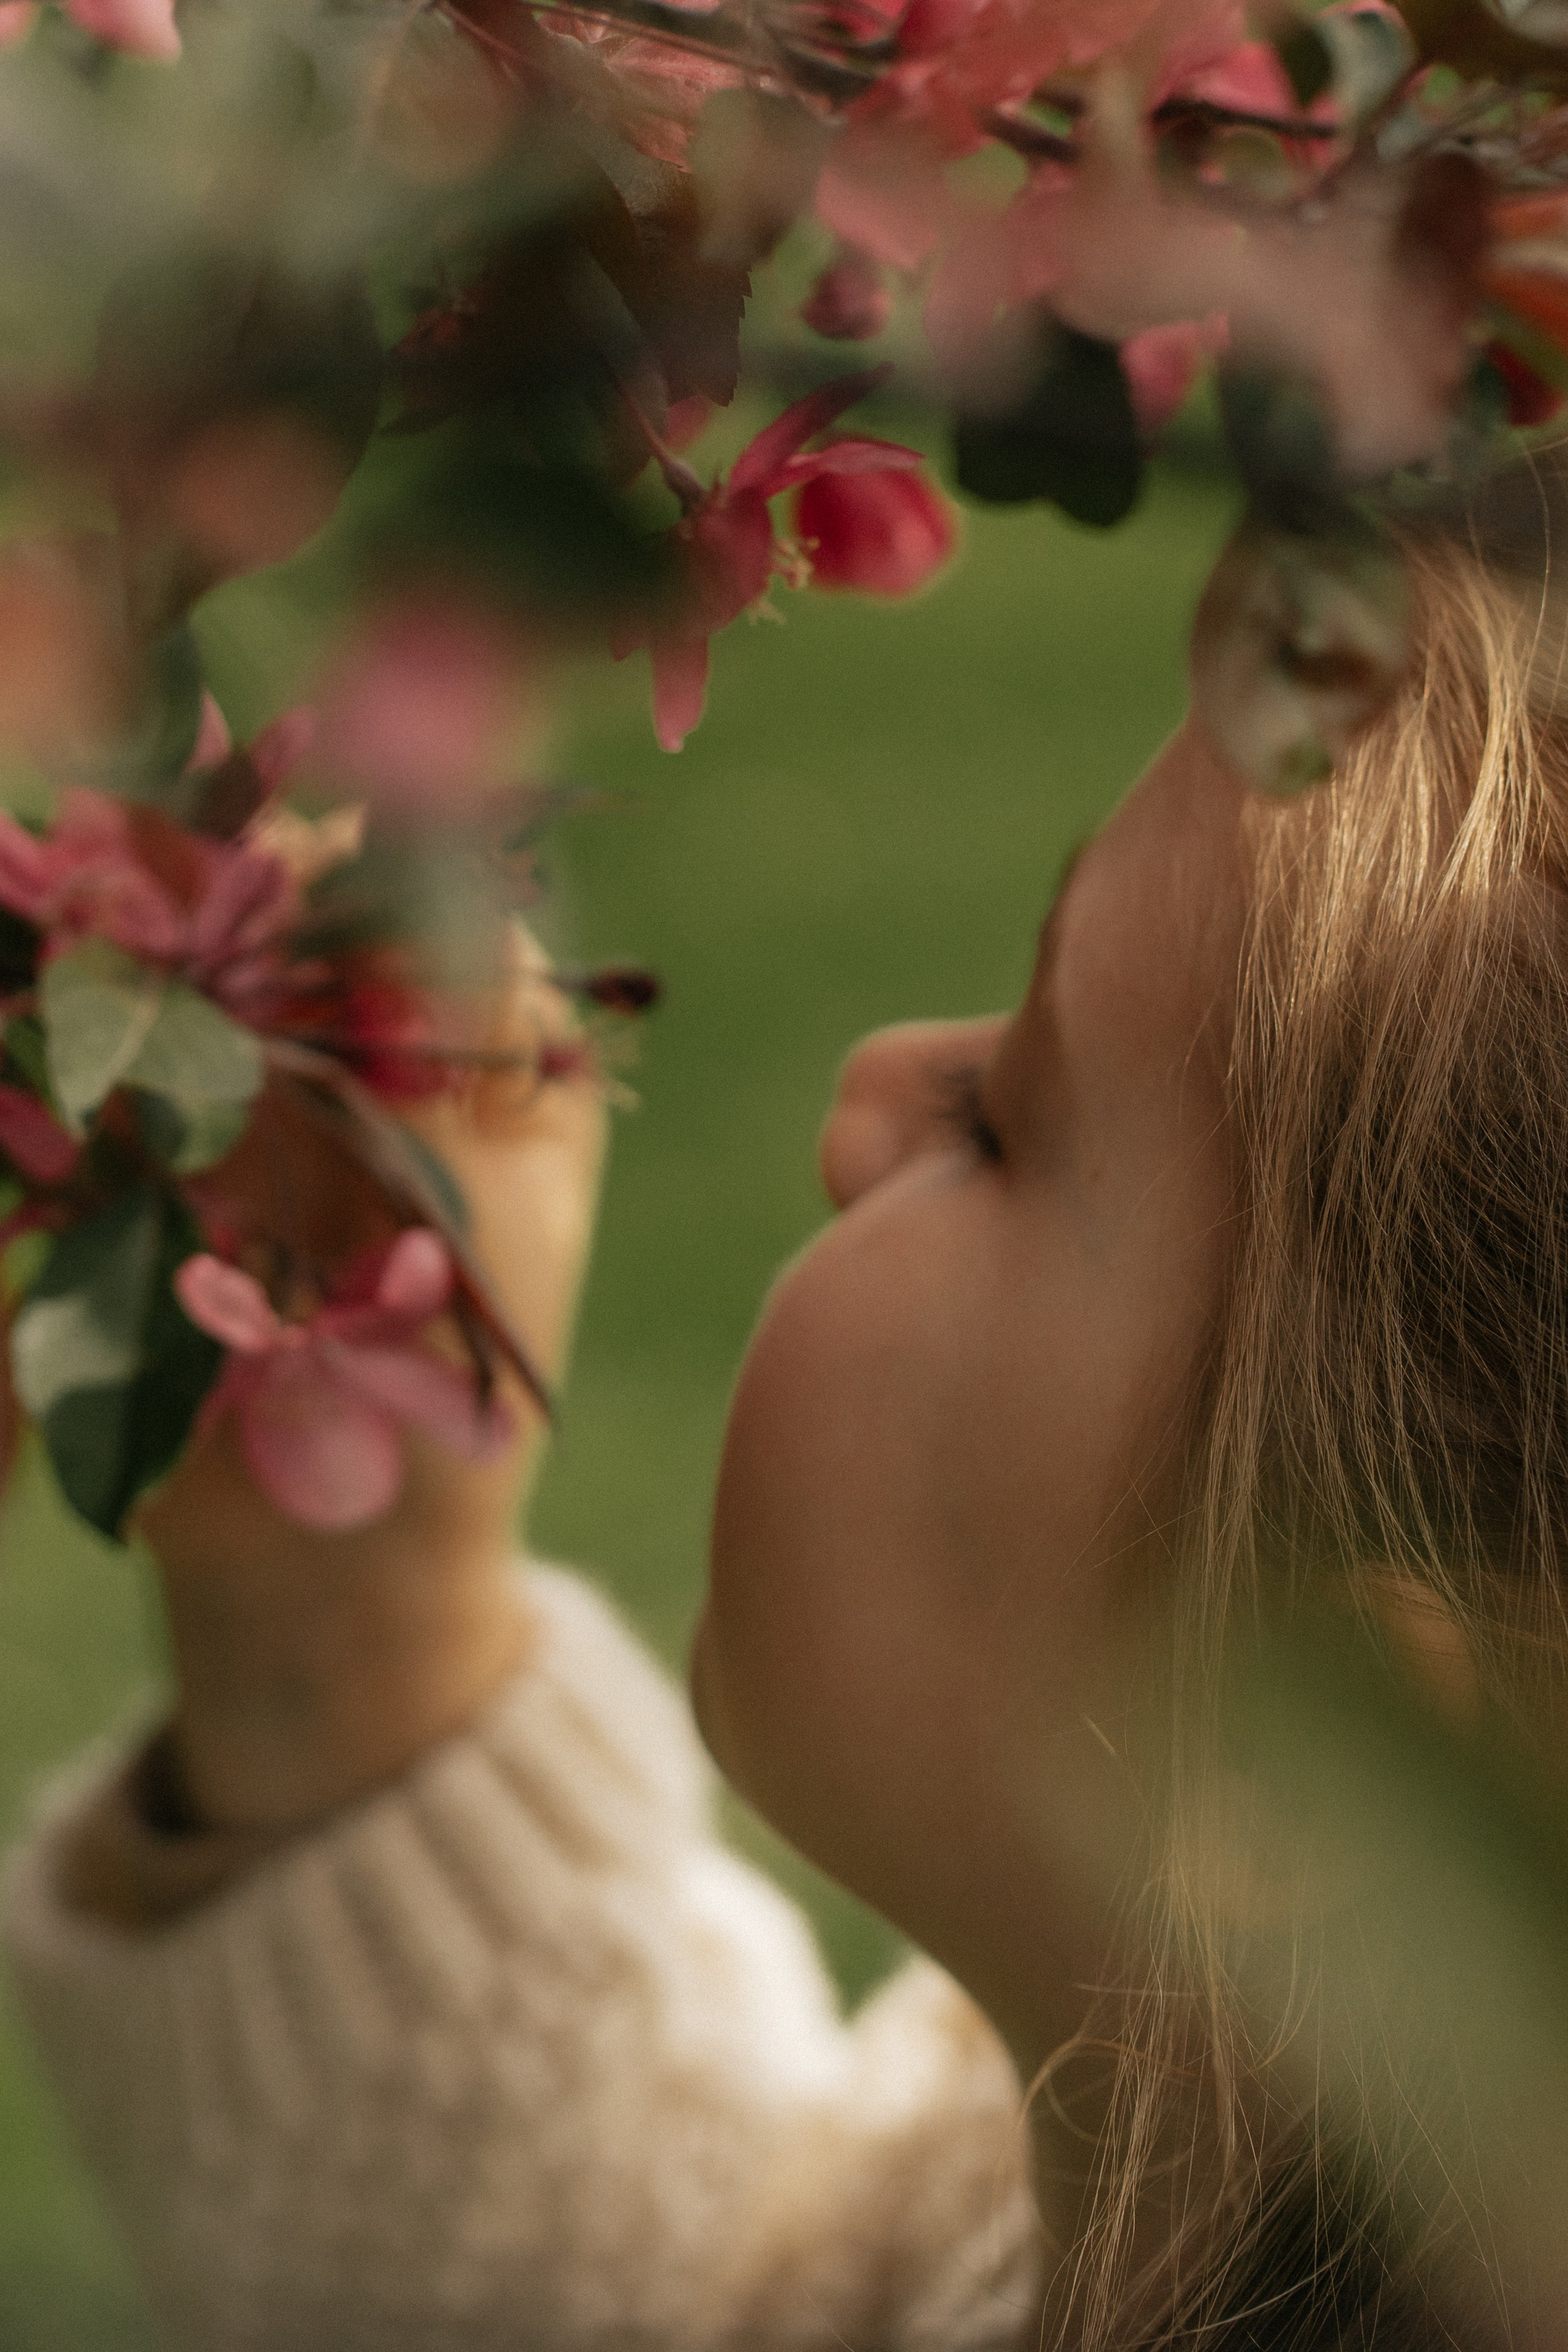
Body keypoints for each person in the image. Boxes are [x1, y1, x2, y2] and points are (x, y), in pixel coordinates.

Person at [4, 535, 1567, 2351]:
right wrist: (347, 1620)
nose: (867, 1097)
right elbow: (682, 2293)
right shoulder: (1115, 2176)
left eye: (1006, 1123)